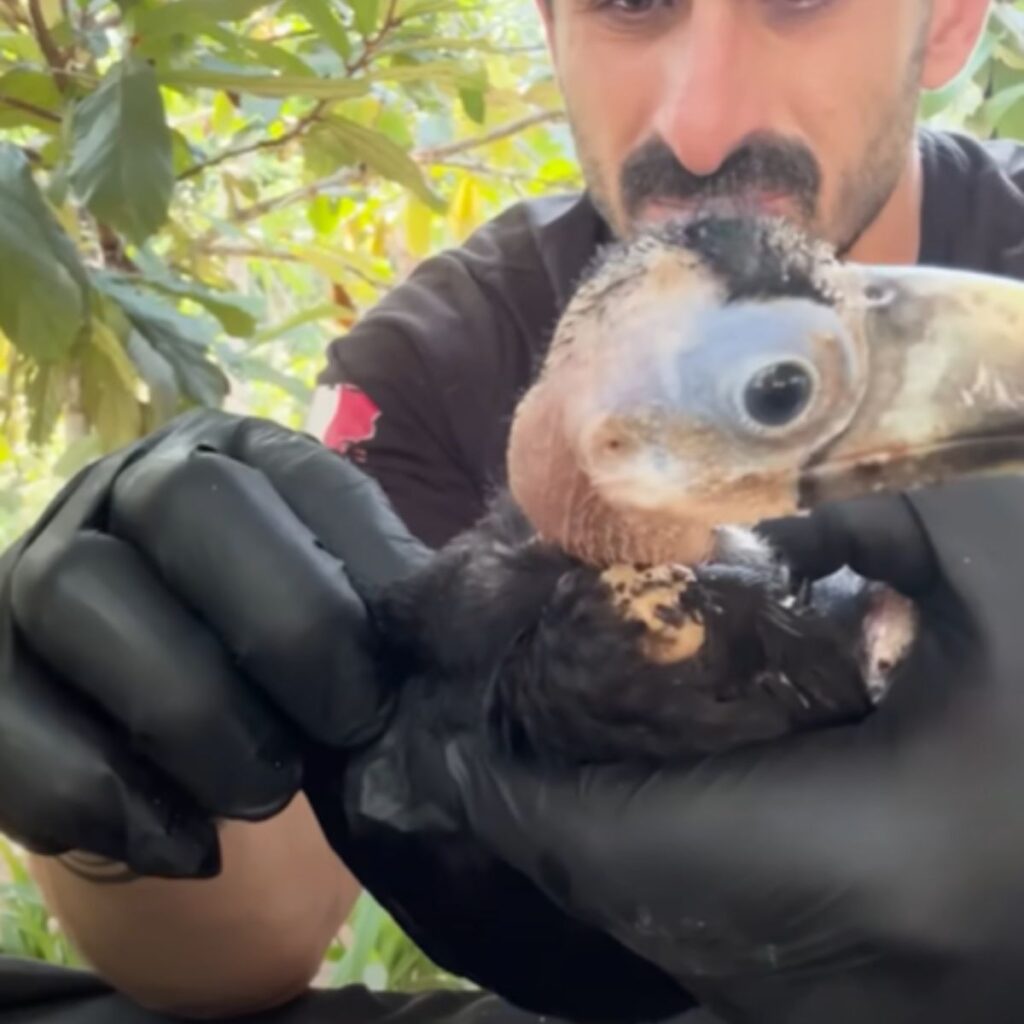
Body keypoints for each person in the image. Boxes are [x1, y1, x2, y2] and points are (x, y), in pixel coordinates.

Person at [5, 0, 1024, 1020]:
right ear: (549, 24)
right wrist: (124, 745)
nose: (700, 125)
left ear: (944, 22)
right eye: (629, 3)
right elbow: (255, 941)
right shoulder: (443, 358)